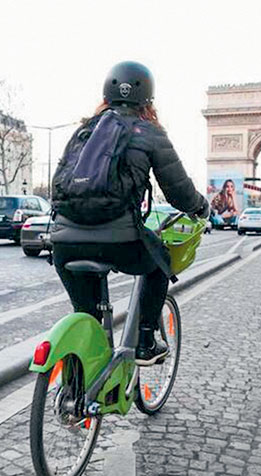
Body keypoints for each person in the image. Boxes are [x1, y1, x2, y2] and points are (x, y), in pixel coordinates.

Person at [50, 61, 209, 365]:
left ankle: (79, 386)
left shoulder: (84, 130)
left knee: (86, 315)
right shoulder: (149, 133)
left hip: (64, 243)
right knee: (159, 262)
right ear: (148, 100)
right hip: (120, 240)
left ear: (105, 96)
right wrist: (200, 206)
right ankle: (146, 341)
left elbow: (59, 186)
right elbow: (179, 192)